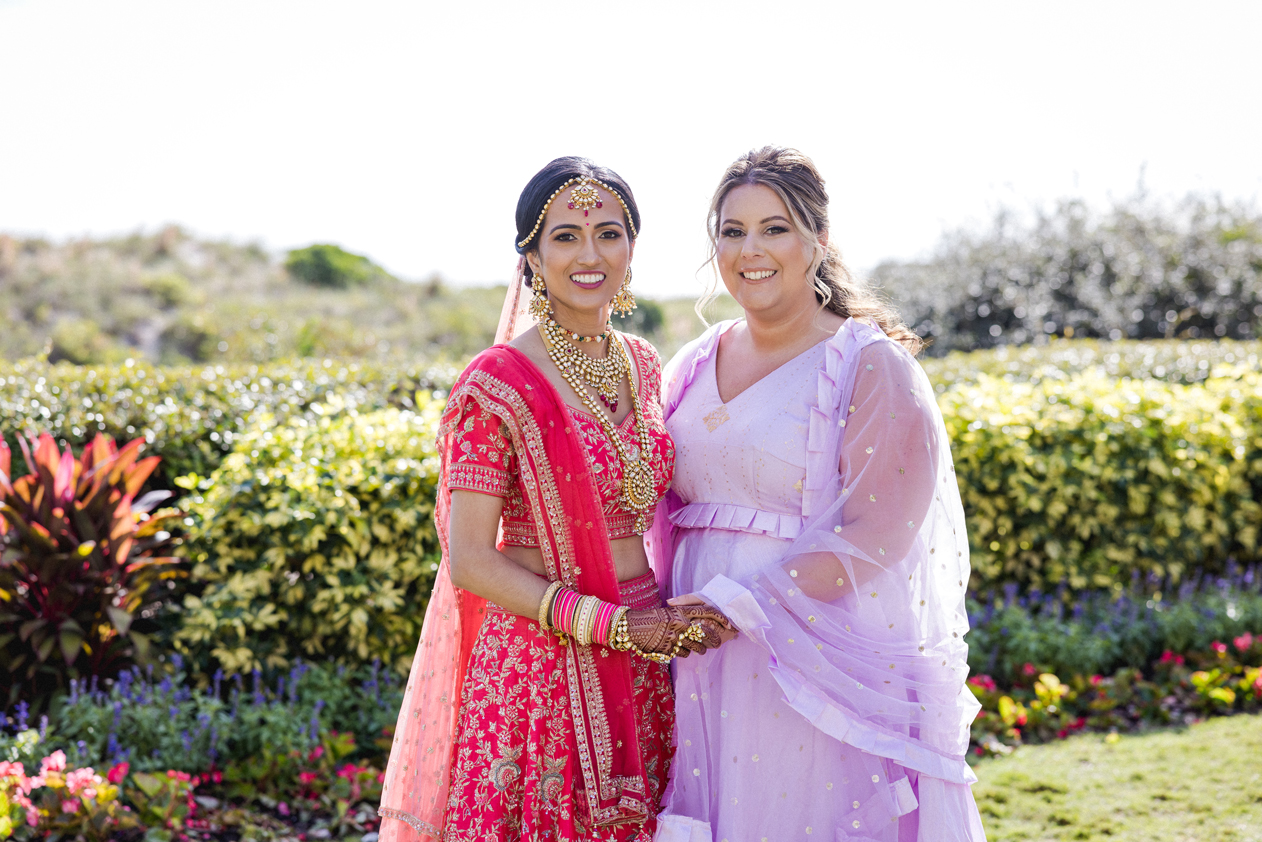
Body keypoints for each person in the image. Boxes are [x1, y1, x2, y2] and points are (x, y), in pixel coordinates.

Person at [377, 156, 733, 842]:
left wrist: (663, 617)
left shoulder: (642, 363)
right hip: (540, 665)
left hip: (642, 653)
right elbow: (470, 560)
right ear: (533, 257)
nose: (590, 254)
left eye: (609, 233)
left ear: (632, 248)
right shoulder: (496, 384)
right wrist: (611, 625)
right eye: (566, 236)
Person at [649, 147, 987, 842]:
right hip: (697, 654)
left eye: (773, 228)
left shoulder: (868, 365)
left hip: (812, 656)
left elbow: (877, 533)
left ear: (818, 239)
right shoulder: (693, 362)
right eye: (733, 231)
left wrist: (740, 606)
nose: (750, 250)